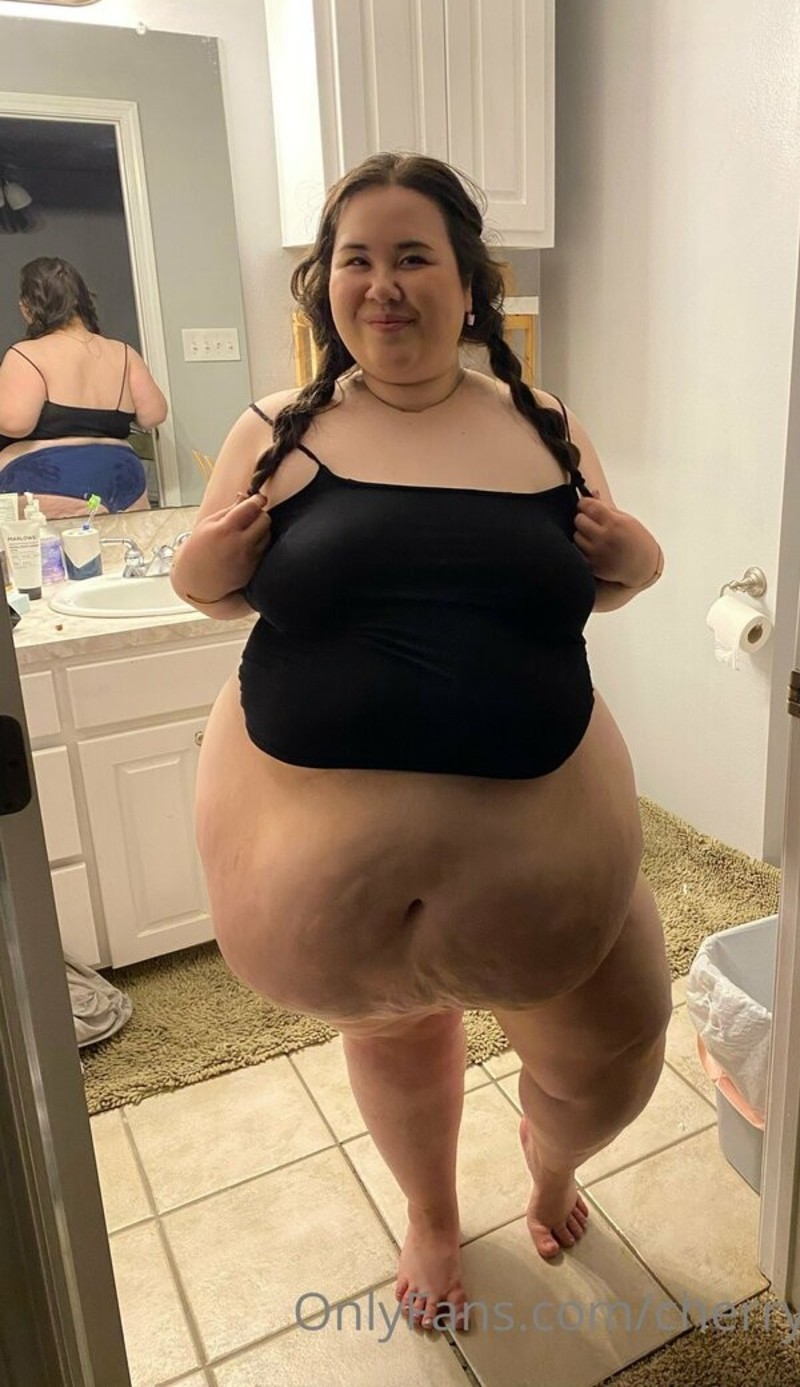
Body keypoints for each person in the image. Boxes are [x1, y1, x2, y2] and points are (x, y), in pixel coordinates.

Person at [170, 153, 673, 1333]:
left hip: (544, 868)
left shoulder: (546, 426)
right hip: (341, 922)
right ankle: (433, 1217)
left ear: (467, 281)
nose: (383, 284)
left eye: (413, 256)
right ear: (326, 283)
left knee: (609, 1059)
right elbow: (208, 589)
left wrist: (643, 557)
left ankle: (550, 1168)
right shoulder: (273, 430)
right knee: (395, 1044)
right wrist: (204, 561)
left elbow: (603, 581)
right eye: (357, 259)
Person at [0, 257, 168, 518]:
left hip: (49, 479)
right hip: (121, 475)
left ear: (29, 307)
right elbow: (154, 415)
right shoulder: (123, 353)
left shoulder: (26, 354)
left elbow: (15, 424)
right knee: (120, 544)